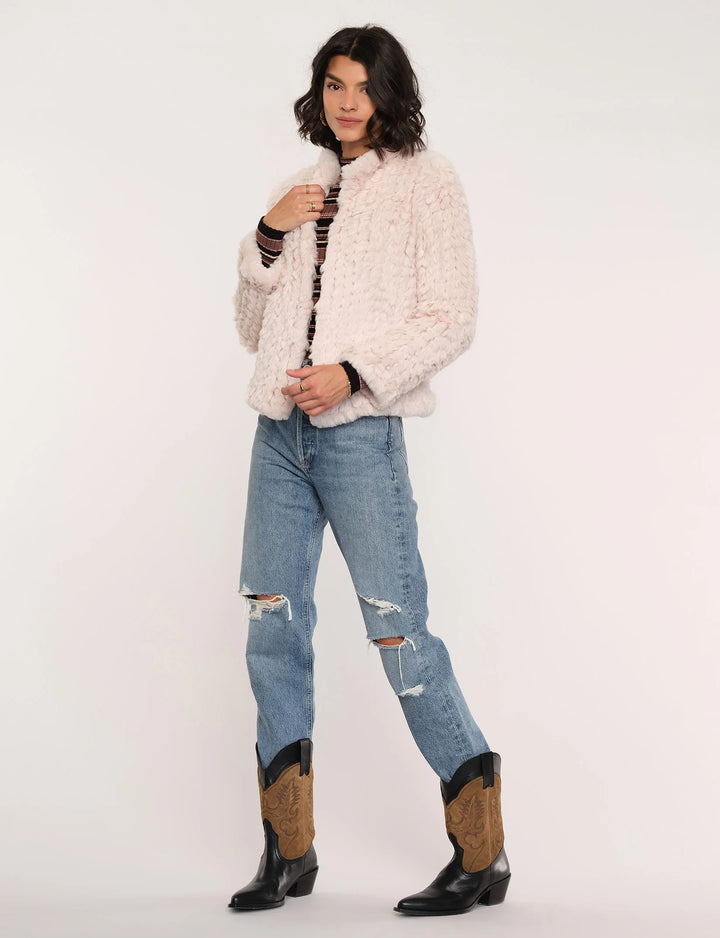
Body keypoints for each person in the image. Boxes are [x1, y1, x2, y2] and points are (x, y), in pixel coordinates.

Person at [228, 24, 509, 916]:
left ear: (390, 94)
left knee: (399, 634)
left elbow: (452, 315)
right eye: (334, 84)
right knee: (272, 631)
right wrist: (267, 235)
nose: (348, 102)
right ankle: (288, 852)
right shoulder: (299, 187)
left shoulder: (428, 181)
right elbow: (253, 328)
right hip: (279, 437)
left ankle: (483, 853)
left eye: (364, 86)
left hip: (358, 436)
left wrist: (352, 374)